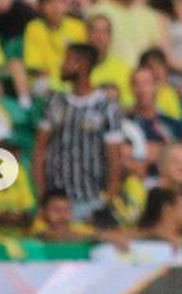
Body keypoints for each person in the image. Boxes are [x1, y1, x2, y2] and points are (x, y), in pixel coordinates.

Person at [32, 42, 124, 221]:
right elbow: (40, 150)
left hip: (91, 201)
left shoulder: (107, 107)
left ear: (82, 65)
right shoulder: (55, 103)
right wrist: (42, 194)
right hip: (56, 202)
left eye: (67, 60)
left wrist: (107, 202)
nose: (62, 65)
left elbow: (114, 160)